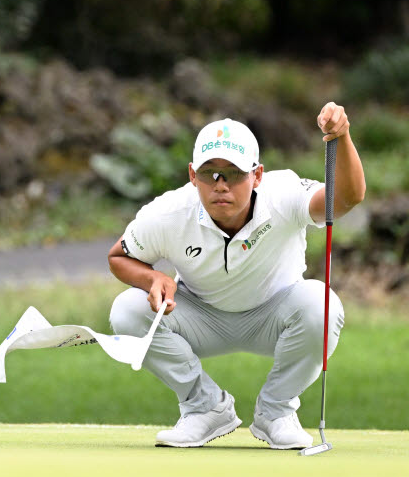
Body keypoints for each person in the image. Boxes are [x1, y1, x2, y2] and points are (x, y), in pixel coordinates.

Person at [107, 105, 365, 449]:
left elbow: (347, 197)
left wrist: (342, 135)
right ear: (191, 174)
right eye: (209, 172)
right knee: (127, 310)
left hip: (276, 315)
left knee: (323, 304)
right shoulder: (168, 212)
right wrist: (150, 279)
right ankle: (205, 409)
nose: (220, 185)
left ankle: (276, 413)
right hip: (200, 316)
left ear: (257, 175)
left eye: (234, 173)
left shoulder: (283, 193)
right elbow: (119, 256)